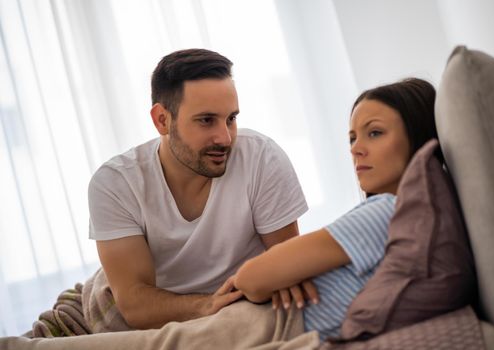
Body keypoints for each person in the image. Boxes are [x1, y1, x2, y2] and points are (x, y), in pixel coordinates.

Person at [88, 48, 309, 329]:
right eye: (206, 120)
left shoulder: (261, 157)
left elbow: (287, 265)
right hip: (164, 312)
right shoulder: (115, 183)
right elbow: (134, 304)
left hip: (247, 301)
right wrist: (208, 304)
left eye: (231, 118)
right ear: (162, 120)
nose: (225, 138)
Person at [234, 78, 439, 341]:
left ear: (418, 135)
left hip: (265, 325)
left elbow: (250, 278)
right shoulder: (407, 214)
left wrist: (275, 276)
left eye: (374, 133)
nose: (356, 149)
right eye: (352, 138)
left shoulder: (389, 210)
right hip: (254, 324)